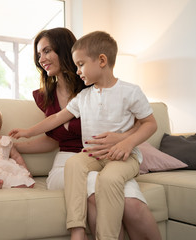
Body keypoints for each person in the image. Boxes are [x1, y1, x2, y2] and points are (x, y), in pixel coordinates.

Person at [10, 29, 159, 240]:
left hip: (115, 158)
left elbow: (145, 123)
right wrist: (18, 140)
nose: (41, 59)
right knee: (98, 187)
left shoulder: (98, 85)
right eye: (39, 54)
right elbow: (53, 127)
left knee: (130, 201)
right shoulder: (73, 96)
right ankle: (78, 231)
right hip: (80, 160)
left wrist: (123, 139)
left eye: (47, 51)